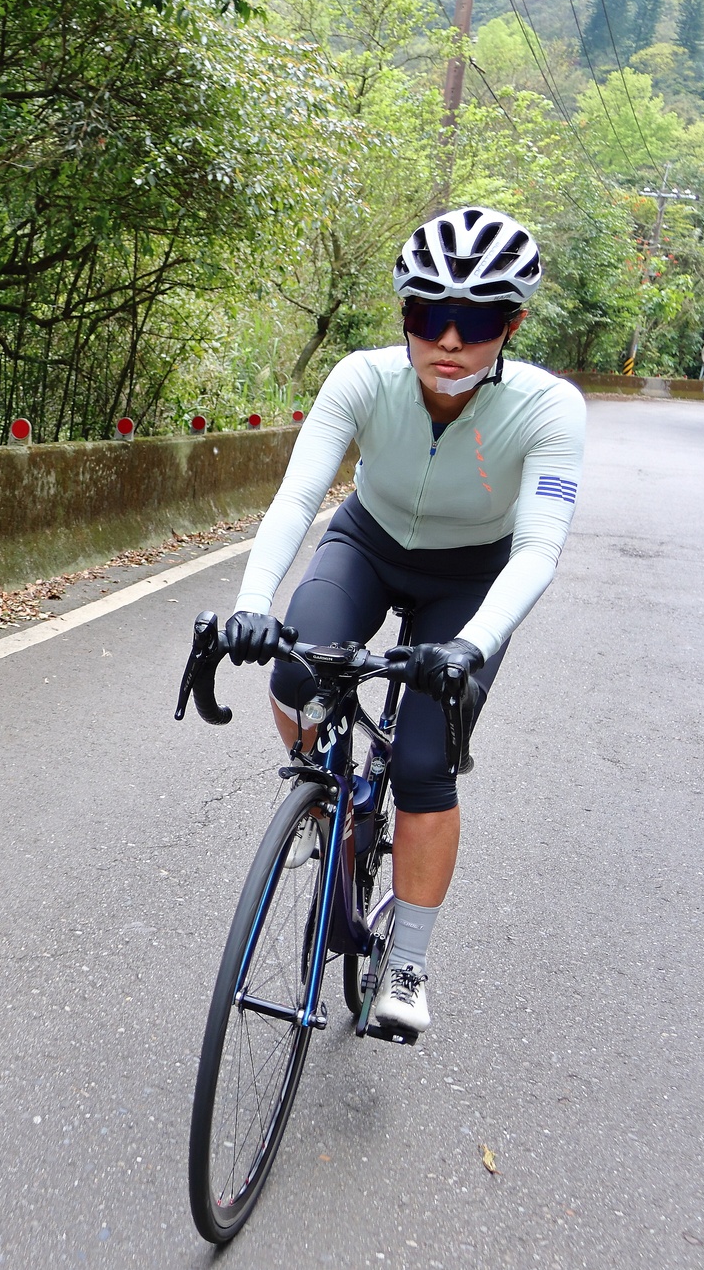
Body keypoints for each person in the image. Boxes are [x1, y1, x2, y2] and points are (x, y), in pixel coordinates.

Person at [220, 206, 586, 1034]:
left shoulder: (549, 408)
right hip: (370, 542)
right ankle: (328, 801)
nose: (449, 340)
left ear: (513, 325)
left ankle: (409, 962)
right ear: (405, 316)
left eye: (477, 321)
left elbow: (538, 548)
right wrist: (249, 606)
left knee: (424, 763)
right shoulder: (362, 378)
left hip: (472, 578)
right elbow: (296, 499)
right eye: (429, 314)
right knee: (295, 671)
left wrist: (469, 647)